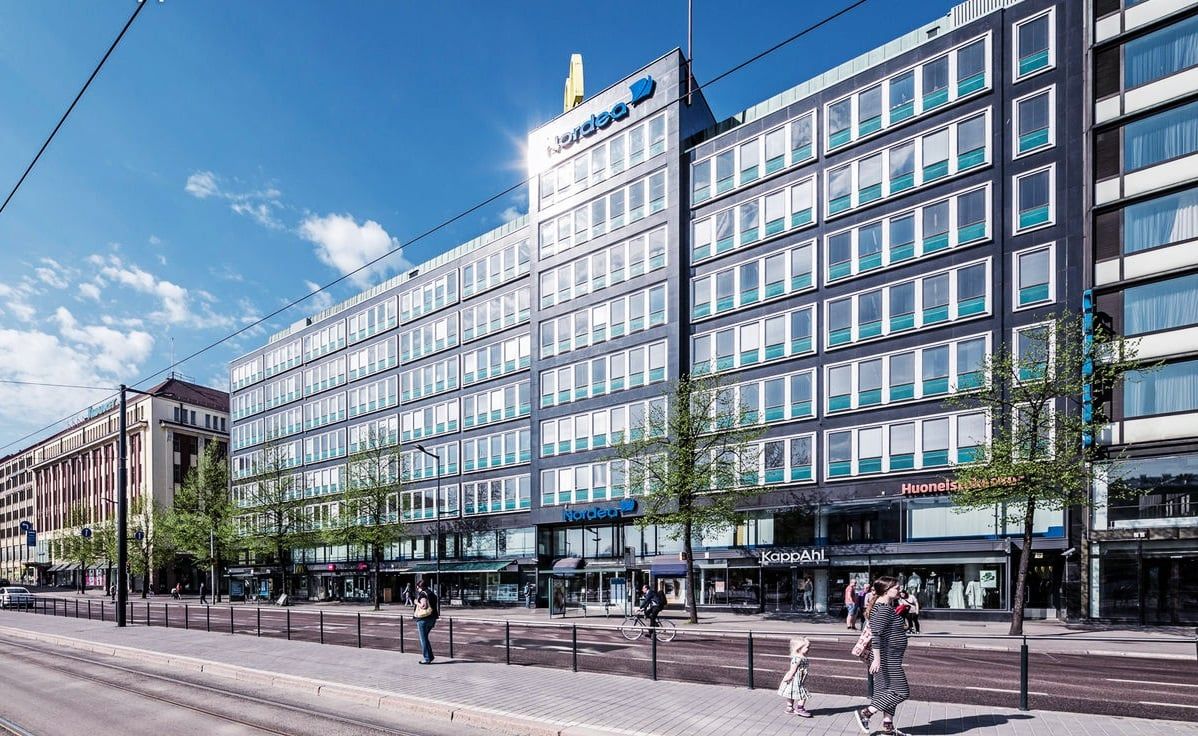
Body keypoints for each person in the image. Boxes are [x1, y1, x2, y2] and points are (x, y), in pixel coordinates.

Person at [853, 576, 910, 736]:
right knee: (901, 692)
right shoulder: (882, 609)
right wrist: (877, 659)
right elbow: (876, 635)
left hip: (889, 656)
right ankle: (866, 713)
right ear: (886, 590)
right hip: (886, 658)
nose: (899, 590)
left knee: (885, 692)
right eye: (896, 588)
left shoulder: (886, 607)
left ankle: (888, 728)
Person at [777, 636, 812, 717]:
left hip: (799, 679)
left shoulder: (803, 658)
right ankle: (800, 708)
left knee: (791, 693)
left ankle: (789, 708)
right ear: (799, 648)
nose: (809, 649)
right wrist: (788, 678)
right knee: (803, 695)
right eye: (807, 647)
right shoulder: (797, 659)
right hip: (795, 679)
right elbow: (792, 670)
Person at [413, 578, 439, 664]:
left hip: (423, 619)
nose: (417, 589)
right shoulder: (431, 593)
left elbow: (424, 606)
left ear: (419, 587)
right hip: (432, 618)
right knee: (425, 638)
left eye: (417, 587)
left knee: (423, 639)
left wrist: (416, 602)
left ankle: (427, 658)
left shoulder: (423, 594)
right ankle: (430, 656)